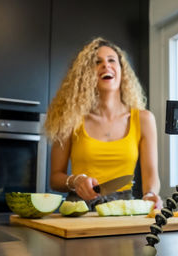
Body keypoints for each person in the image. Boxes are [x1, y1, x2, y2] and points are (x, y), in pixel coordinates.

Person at [44, 37, 162, 210]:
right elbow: (55, 178)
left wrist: (151, 194)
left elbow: (151, 175)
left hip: (124, 209)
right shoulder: (70, 118)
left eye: (112, 60)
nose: (106, 65)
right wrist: (76, 181)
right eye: (97, 62)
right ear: (85, 74)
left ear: (123, 71)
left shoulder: (144, 119)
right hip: (80, 209)